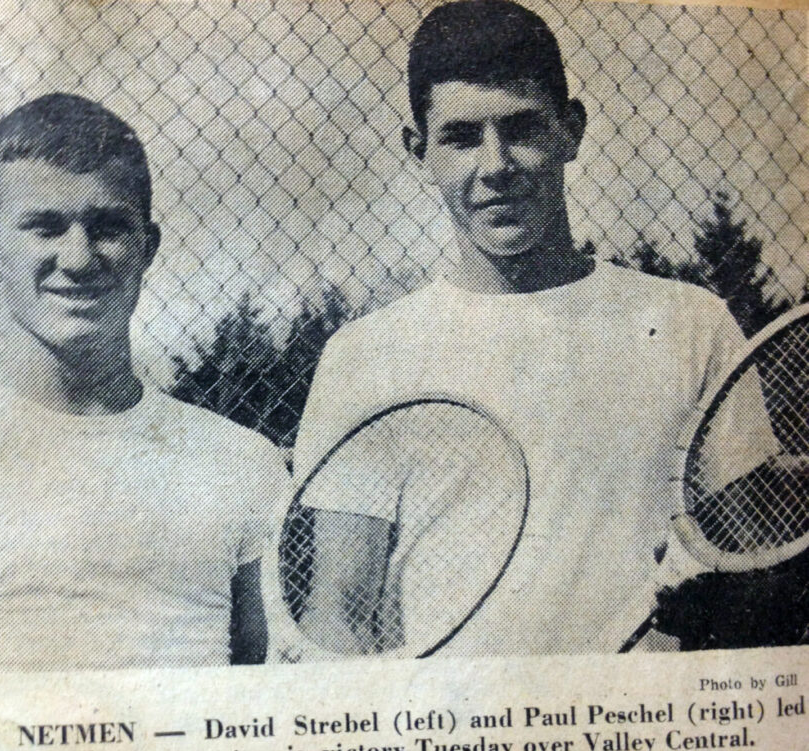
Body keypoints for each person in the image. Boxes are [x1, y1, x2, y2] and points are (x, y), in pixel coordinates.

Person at [290, 0, 750, 656]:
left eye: (521, 128)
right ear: (417, 150)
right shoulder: (366, 354)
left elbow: (747, 573)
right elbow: (340, 607)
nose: (495, 164)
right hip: (455, 739)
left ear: (570, 130)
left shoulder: (689, 323)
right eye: (460, 137)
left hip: (646, 736)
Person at [0, 93, 286, 676]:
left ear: (148, 246)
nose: (78, 257)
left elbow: (264, 706)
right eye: (45, 227)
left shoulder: (243, 465)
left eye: (107, 227)